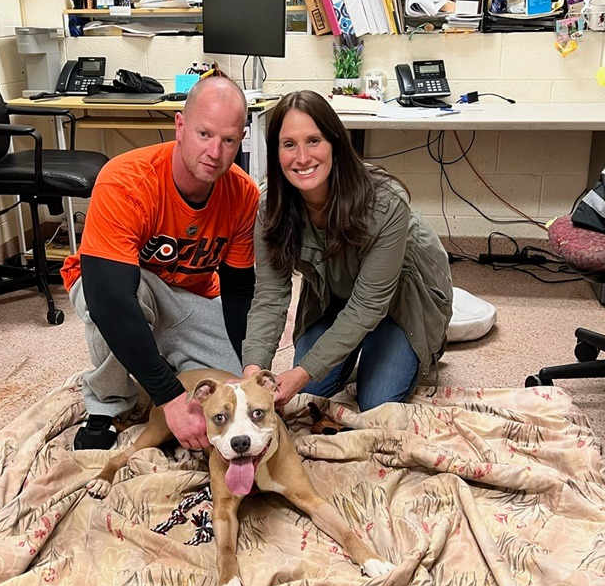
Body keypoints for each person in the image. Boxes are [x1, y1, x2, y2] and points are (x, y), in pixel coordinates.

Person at [60, 76, 259, 451]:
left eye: (228, 140)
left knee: (234, 389)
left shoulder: (244, 193)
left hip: (189, 297)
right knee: (117, 304)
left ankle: (162, 359)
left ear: (241, 140)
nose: (215, 152)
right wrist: (170, 399)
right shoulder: (125, 180)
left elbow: (238, 292)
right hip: (117, 287)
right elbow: (110, 300)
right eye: (204, 134)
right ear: (180, 126)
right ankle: (106, 405)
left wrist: (249, 364)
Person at [242, 90, 453, 413]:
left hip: (402, 299)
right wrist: (253, 372)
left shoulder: (386, 202)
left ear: (335, 143)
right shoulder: (270, 206)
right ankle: (356, 348)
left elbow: (369, 305)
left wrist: (301, 371)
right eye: (289, 144)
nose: (302, 157)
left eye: (313, 140)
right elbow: (270, 295)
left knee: (376, 402)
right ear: (276, 151)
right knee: (310, 391)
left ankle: (420, 343)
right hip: (333, 295)